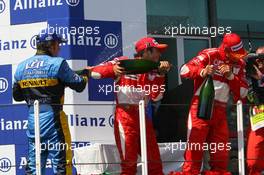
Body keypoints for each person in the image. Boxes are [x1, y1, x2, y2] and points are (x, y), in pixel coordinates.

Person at [89, 37, 171, 175]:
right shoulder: (124, 62)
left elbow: (156, 97)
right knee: (129, 162)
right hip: (125, 117)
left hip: (142, 117)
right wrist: (113, 69)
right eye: (157, 51)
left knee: (154, 162)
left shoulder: (154, 71)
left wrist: (161, 75)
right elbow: (94, 72)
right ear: (146, 51)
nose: (160, 55)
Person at [13, 30, 88, 175]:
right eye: (58, 44)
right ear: (51, 45)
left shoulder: (21, 66)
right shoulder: (58, 63)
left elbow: (17, 96)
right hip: (55, 122)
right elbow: (79, 85)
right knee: (62, 165)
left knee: (34, 167)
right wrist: (86, 74)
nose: (59, 48)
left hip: (33, 124)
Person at [174, 33, 248, 175]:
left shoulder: (240, 64)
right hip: (201, 107)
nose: (238, 58)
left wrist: (231, 77)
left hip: (220, 112)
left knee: (220, 154)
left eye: (240, 54)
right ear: (226, 50)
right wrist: (201, 71)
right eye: (235, 54)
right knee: (195, 150)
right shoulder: (210, 54)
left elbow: (243, 93)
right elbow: (184, 70)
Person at [246, 47, 264, 175]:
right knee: (253, 160)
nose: (259, 60)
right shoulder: (249, 72)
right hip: (258, 119)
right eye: (257, 57)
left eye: (262, 57)